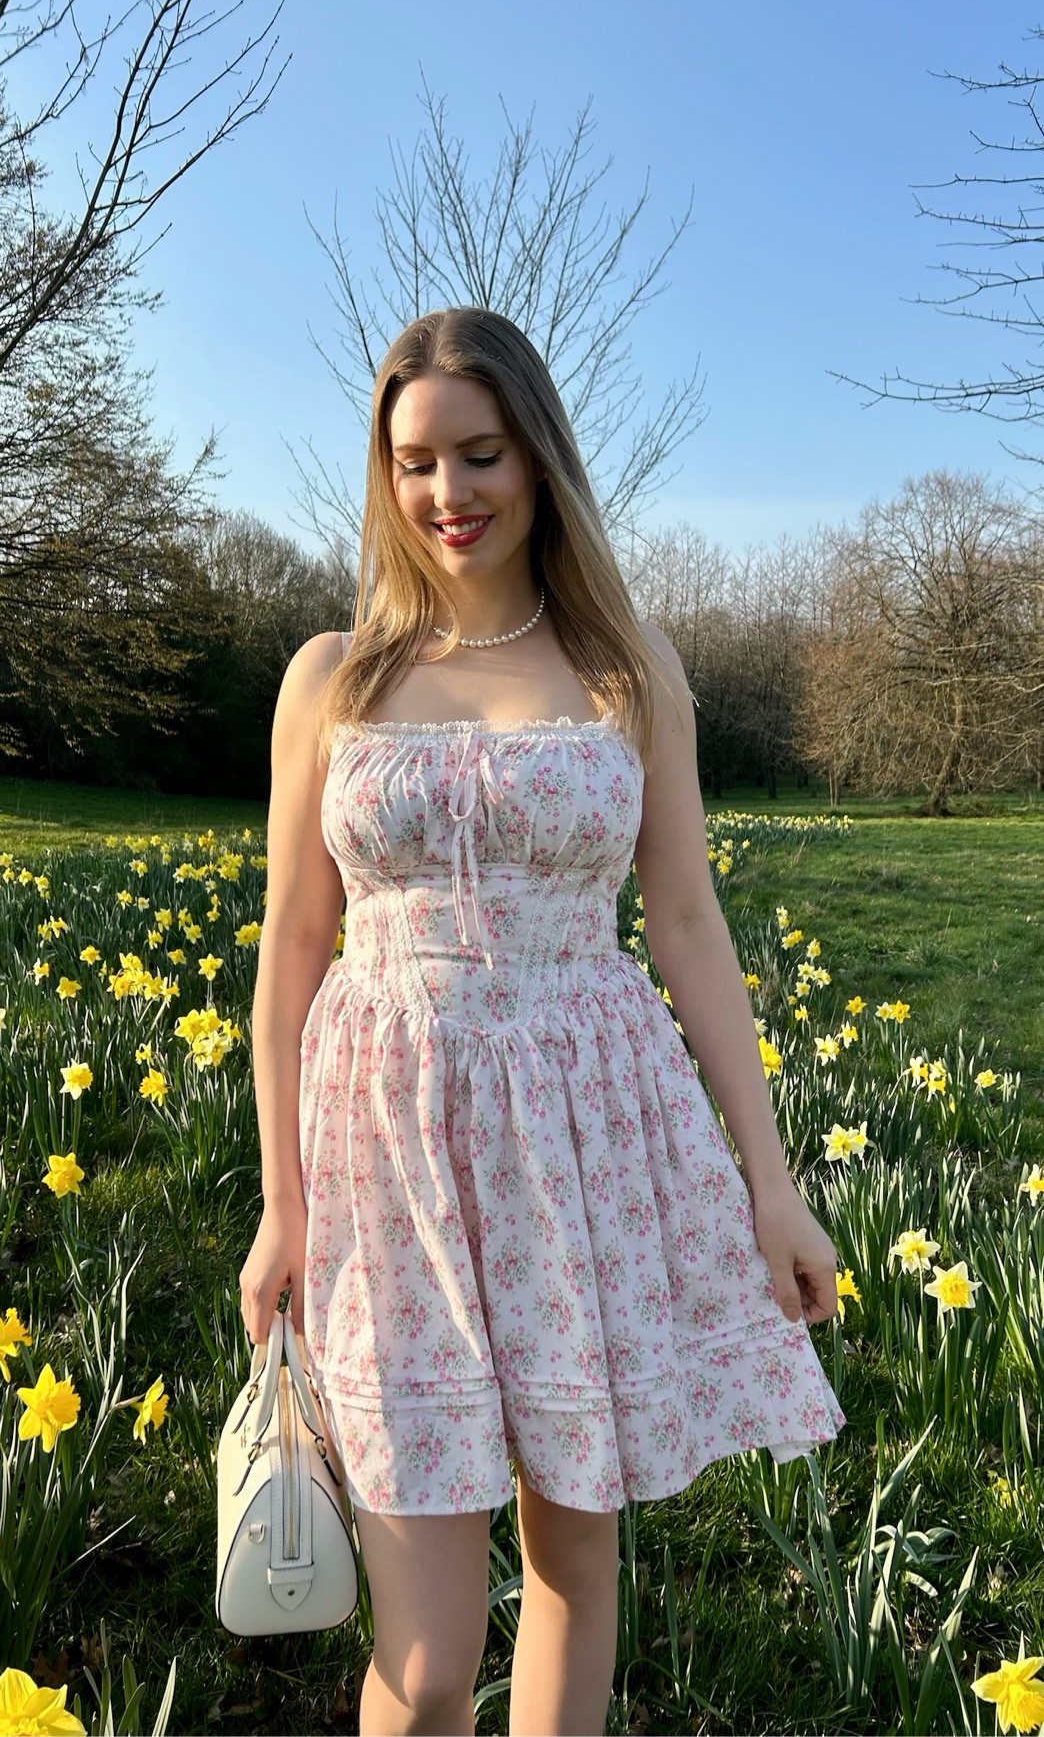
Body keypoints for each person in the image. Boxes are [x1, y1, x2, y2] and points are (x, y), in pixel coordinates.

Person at [238, 306, 846, 1737]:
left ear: (539, 457)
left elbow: (688, 926)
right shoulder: (334, 678)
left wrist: (774, 1187)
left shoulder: (630, 670)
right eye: (413, 463)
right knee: (430, 1659)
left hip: (590, 1147)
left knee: (574, 1560)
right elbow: (296, 943)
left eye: (480, 454)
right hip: (387, 1162)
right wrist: (281, 1206)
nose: (446, 495)